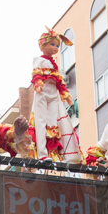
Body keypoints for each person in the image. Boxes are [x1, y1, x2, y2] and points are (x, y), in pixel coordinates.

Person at [28, 28, 80, 162]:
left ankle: (52, 153)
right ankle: (42, 153)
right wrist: (38, 84)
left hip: (53, 96)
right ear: (43, 45)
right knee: (41, 122)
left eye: (57, 46)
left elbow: (59, 82)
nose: (56, 48)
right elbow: (36, 75)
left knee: (52, 123)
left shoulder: (54, 64)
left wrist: (65, 94)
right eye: (53, 45)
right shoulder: (39, 60)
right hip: (42, 93)